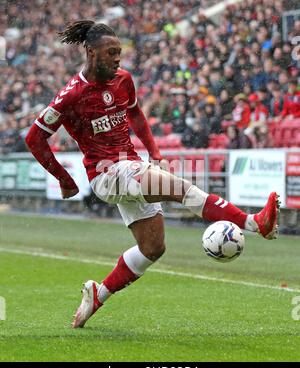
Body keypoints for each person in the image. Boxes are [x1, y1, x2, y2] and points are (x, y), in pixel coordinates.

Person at [25, 20, 280, 329]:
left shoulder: (123, 80)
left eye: (119, 52)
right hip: (106, 174)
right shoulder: (71, 95)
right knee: (179, 188)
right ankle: (254, 223)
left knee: (153, 248)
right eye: (111, 52)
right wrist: (64, 179)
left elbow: (135, 114)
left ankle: (98, 295)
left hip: (130, 166)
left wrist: (154, 151)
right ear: (91, 53)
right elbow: (34, 138)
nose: (118, 58)